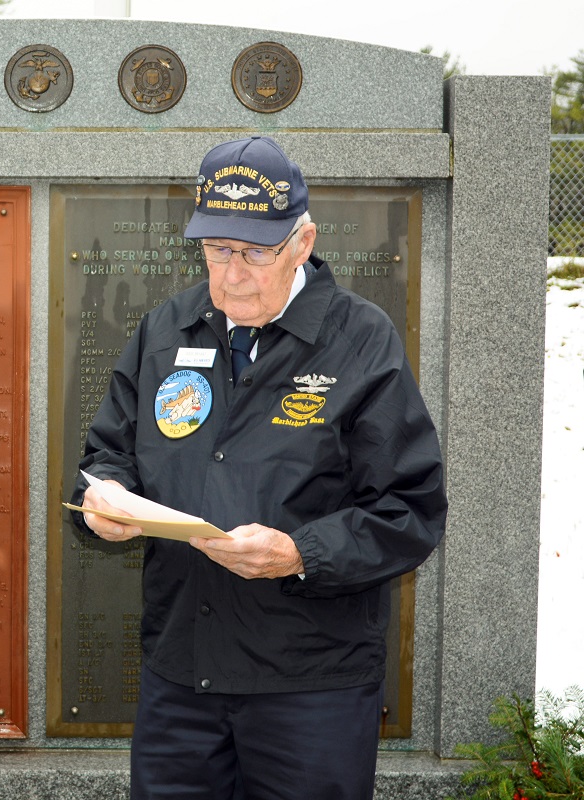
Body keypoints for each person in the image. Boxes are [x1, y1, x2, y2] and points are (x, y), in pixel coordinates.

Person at [73, 135, 447, 799]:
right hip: (181, 678)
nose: (232, 273)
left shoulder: (362, 340)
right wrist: (110, 499)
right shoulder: (167, 329)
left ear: (302, 244)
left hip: (310, 689)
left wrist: (300, 552)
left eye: (254, 252)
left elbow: (409, 511)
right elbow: (108, 452)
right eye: (217, 250)